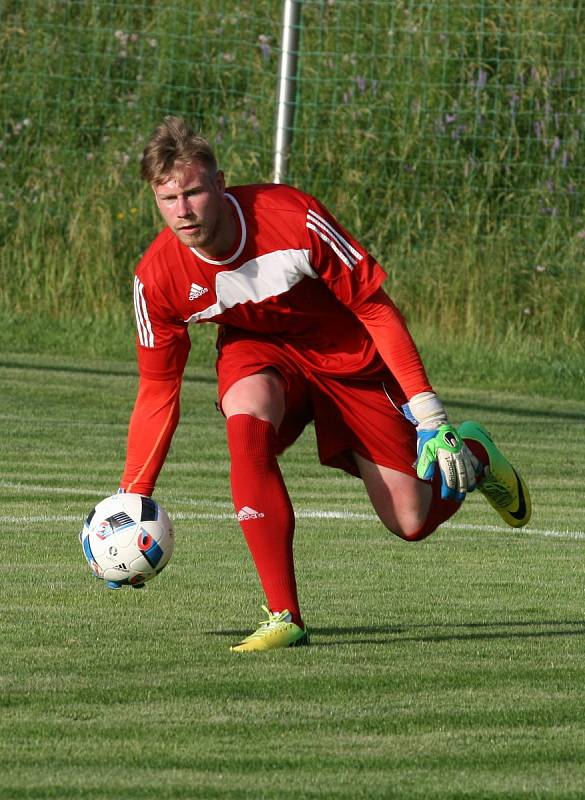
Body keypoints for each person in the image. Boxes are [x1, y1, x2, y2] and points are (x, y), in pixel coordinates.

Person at [120, 116, 531, 652]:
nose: (183, 210)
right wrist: (131, 500)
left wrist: (431, 416)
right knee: (246, 425)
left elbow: (376, 310)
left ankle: (476, 453)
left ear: (220, 184)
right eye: (168, 197)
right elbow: (157, 390)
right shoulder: (156, 278)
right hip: (261, 351)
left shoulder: (293, 217)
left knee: (410, 520)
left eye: (194, 191)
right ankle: (284, 616)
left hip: (347, 355)